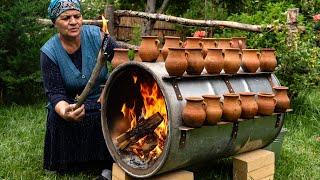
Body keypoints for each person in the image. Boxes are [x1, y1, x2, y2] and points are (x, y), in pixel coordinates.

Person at [40, 0, 118, 178]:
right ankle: (76, 162)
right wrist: (65, 111)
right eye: (66, 18)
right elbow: (54, 92)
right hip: (72, 104)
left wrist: (109, 88)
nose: (73, 21)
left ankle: (108, 163)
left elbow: (123, 65)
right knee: (56, 115)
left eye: (77, 16)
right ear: (54, 23)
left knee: (112, 112)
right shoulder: (49, 52)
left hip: (101, 99)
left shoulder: (98, 37)